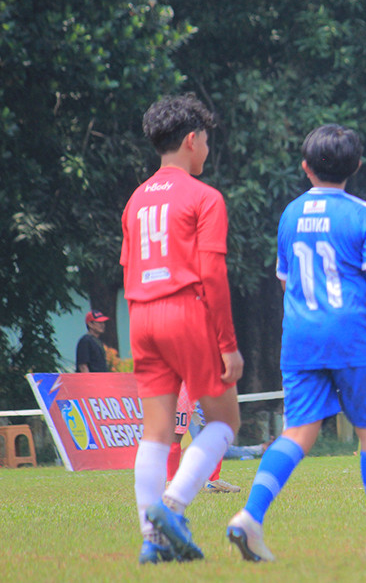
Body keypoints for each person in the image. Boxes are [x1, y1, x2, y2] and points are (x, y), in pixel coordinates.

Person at [226, 123, 366, 563]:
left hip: (300, 339)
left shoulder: (290, 215)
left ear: (305, 167)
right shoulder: (365, 214)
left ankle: (250, 516)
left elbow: (284, 280)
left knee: (297, 432)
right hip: (353, 337)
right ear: (356, 166)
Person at [120, 94, 244, 564]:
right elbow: (212, 275)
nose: (207, 150)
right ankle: (171, 506)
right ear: (192, 140)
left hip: (141, 316)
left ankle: (150, 541)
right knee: (225, 421)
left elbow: (128, 266)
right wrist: (228, 345)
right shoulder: (204, 196)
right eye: (207, 141)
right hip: (185, 313)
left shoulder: (135, 200)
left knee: (154, 433)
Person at [167, 383, 241, 493]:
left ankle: (213, 480)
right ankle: (171, 482)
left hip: (206, 381)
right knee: (176, 433)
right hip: (182, 382)